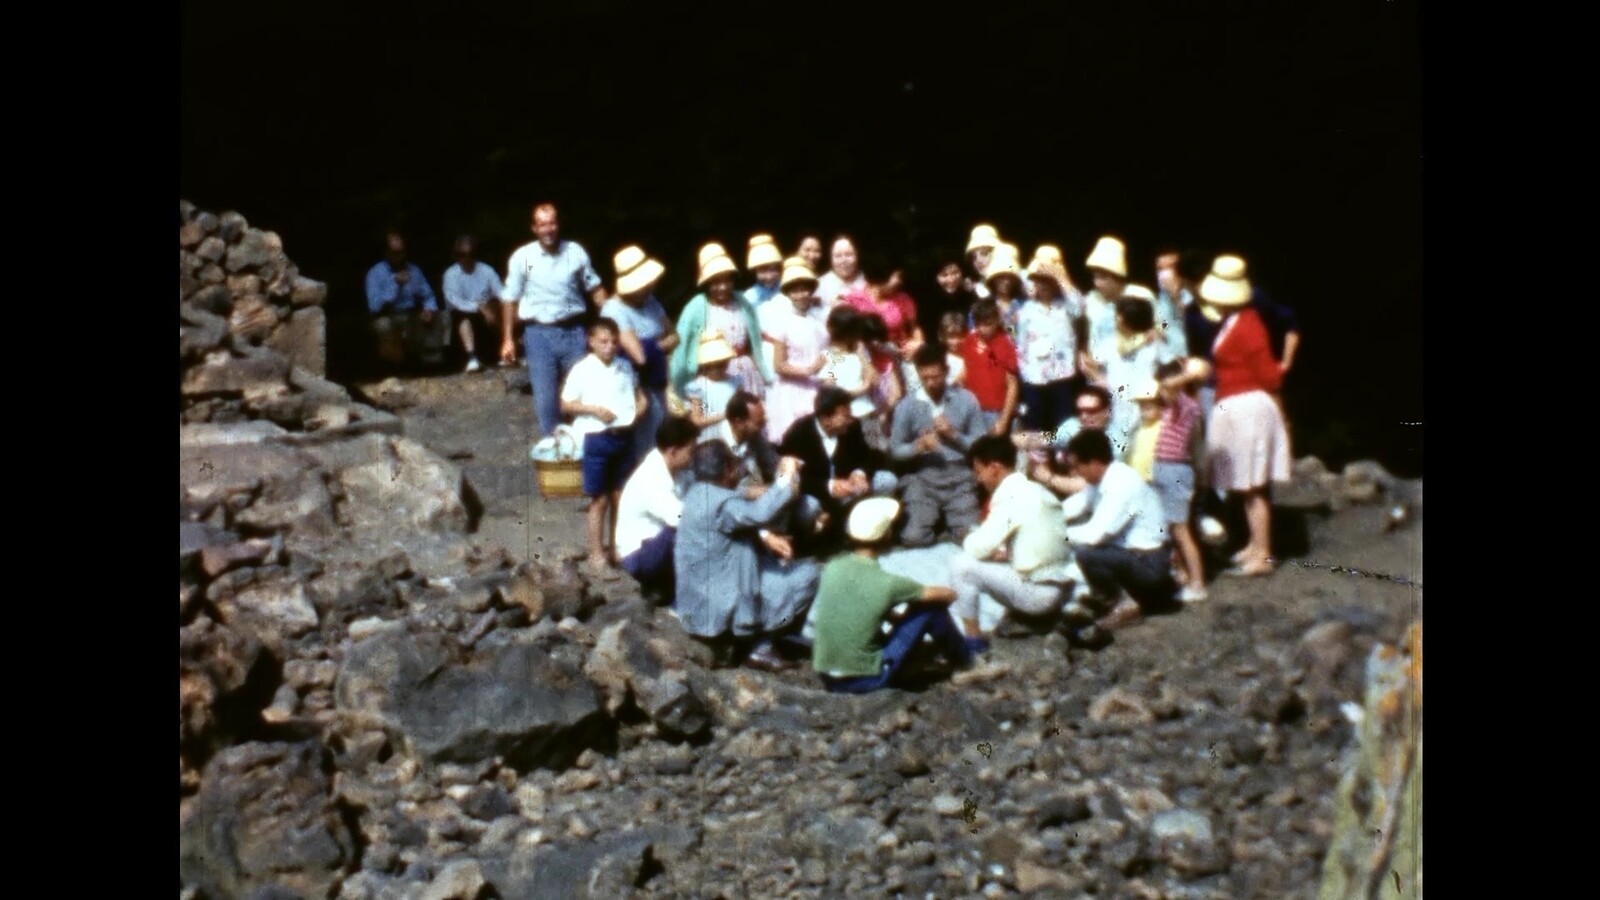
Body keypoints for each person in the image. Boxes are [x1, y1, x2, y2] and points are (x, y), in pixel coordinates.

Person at [809, 497, 981, 693]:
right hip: (864, 679)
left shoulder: (833, 567)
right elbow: (947, 595)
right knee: (931, 609)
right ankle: (968, 662)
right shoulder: (888, 583)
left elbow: (858, 605)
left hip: (827, 675)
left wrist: (895, 613)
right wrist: (914, 605)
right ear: (887, 534)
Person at [674, 441, 820, 671]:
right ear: (726, 470)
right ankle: (761, 645)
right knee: (810, 574)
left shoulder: (694, 494)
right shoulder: (723, 506)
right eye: (734, 465)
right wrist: (787, 477)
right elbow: (762, 513)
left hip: (699, 598)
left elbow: (740, 502)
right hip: (721, 603)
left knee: (765, 560)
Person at [1198, 254, 1291, 577]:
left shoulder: (1249, 325)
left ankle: (1264, 552)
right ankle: (1255, 544)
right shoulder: (1233, 321)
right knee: (1248, 485)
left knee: (1254, 486)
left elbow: (1269, 374)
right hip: (1236, 406)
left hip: (1249, 407)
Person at [947, 434, 1079, 640]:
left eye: (979, 471)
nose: (978, 479)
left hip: (1041, 595)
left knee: (961, 566)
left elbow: (977, 547)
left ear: (994, 468)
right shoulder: (1036, 489)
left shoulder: (1011, 495)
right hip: (1059, 587)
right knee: (993, 559)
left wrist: (970, 536)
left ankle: (973, 642)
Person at [499, 203, 609, 439]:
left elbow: (595, 288)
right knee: (546, 400)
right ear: (534, 228)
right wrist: (508, 338)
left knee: (583, 392)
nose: (548, 229)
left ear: (558, 225)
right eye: (542, 224)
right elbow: (511, 297)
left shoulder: (574, 253)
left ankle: (585, 446)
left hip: (573, 332)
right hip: (539, 335)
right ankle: (554, 452)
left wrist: (613, 320)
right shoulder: (526, 258)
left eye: (552, 223)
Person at [1061, 429, 1176, 632]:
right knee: (1082, 548)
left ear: (1094, 462)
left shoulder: (1121, 483)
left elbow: (1096, 535)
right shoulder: (1101, 479)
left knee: (1087, 553)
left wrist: (1057, 535)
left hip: (1150, 562)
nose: (1075, 472)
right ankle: (1110, 598)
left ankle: (1126, 606)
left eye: (1077, 466)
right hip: (1133, 556)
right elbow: (1077, 505)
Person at [559, 317, 646, 576]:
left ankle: (616, 545)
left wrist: (639, 411)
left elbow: (638, 397)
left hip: (623, 435)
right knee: (600, 499)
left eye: (614, 342)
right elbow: (566, 404)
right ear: (592, 342)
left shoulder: (624, 366)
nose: (609, 347)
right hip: (596, 437)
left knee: (621, 495)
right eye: (603, 342)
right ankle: (596, 552)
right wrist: (593, 409)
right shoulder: (583, 369)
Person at [889, 344, 987, 547]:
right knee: (913, 538)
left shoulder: (966, 400)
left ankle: (954, 521)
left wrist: (954, 435)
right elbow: (895, 450)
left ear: (946, 371)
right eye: (925, 378)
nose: (931, 383)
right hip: (924, 478)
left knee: (971, 539)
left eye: (936, 377)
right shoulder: (907, 406)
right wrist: (918, 446)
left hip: (960, 477)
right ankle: (935, 520)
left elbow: (982, 445)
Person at [779, 386, 897, 546]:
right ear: (826, 418)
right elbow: (791, 479)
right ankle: (814, 542)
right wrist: (829, 486)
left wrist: (859, 473)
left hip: (849, 491)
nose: (850, 419)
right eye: (845, 415)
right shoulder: (799, 434)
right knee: (809, 507)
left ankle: (866, 530)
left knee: (887, 480)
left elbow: (866, 456)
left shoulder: (852, 427)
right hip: (817, 496)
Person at [601, 245, 678, 470]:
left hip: (656, 383)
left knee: (659, 436)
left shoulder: (650, 301)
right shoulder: (614, 310)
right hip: (635, 386)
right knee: (643, 445)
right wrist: (659, 344)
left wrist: (654, 344)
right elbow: (639, 356)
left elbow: (674, 335)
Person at [669, 243, 771, 401]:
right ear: (707, 283)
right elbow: (683, 346)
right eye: (716, 282)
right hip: (713, 377)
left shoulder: (742, 302)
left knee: (750, 417)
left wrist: (762, 370)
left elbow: (755, 342)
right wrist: (685, 380)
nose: (722, 287)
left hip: (746, 373)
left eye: (727, 281)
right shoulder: (697, 307)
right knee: (715, 417)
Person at [615, 415, 699, 597]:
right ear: (673, 452)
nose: (693, 457)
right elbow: (679, 519)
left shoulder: (678, 470)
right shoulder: (652, 477)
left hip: (656, 544)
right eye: (690, 451)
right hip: (639, 556)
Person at [1151, 360, 1210, 601]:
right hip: (1164, 467)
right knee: (1172, 529)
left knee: (1182, 530)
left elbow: (1169, 385)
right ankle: (1184, 575)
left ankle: (1197, 584)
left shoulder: (1186, 404)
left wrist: (1182, 375)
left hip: (1176, 469)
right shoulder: (1171, 406)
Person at [760, 258, 832, 443]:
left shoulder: (819, 324)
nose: (801, 294)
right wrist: (808, 370)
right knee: (795, 441)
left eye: (805, 289)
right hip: (791, 391)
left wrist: (829, 377)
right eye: (796, 290)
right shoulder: (782, 323)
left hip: (816, 389)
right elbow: (779, 365)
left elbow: (828, 356)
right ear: (789, 293)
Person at [1015, 255, 1082, 434]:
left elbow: (1079, 306)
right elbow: (1019, 343)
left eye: (1047, 281)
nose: (1042, 286)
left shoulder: (1066, 307)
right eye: (1038, 281)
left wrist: (1060, 276)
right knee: (1036, 428)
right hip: (1033, 377)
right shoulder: (1025, 310)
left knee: (1065, 425)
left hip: (1062, 375)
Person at [365, 231, 445, 369]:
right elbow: (374, 306)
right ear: (387, 252)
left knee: (440, 317)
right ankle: (395, 367)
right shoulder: (375, 273)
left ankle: (431, 364)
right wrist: (395, 285)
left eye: (401, 252)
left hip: (411, 313)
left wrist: (429, 308)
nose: (399, 256)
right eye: (394, 252)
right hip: (386, 314)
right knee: (384, 326)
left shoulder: (414, 270)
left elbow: (428, 295)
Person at [1080, 236, 1159, 369]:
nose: (1097, 283)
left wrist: (1156, 332)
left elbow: (1163, 324)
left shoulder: (1140, 294)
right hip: (1100, 373)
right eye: (1095, 277)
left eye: (1103, 278)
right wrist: (1083, 355)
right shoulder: (1091, 300)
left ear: (1118, 277)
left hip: (1136, 370)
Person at [440, 234, 506, 373]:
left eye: (471, 254)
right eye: (462, 254)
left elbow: (501, 293)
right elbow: (454, 301)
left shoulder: (486, 270)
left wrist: (493, 306)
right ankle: (472, 358)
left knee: (503, 308)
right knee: (462, 317)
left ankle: (507, 350)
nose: (467, 258)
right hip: (461, 314)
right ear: (457, 256)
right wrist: (479, 306)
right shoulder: (450, 274)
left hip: (485, 313)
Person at [958, 298, 1021, 436]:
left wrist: (1004, 420)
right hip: (974, 409)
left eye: (987, 324)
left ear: (997, 320)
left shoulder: (1005, 344)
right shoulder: (970, 340)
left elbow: (1012, 385)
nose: (982, 329)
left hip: (997, 411)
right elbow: (967, 370)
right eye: (978, 324)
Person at [686, 332, 741, 443]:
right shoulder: (698, 387)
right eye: (717, 365)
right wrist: (725, 415)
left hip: (734, 435)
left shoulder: (735, 382)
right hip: (709, 438)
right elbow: (696, 420)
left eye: (724, 363)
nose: (722, 368)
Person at [815, 235, 867, 307]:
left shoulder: (869, 282)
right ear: (831, 259)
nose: (843, 260)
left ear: (857, 255)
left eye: (848, 255)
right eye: (838, 256)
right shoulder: (819, 285)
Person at [743, 234, 785, 308]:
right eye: (763, 270)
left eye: (773, 269)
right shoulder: (749, 297)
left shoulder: (787, 289)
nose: (769, 276)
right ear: (755, 271)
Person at [965, 223, 1001, 299]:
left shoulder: (1022, 281)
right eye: (974, 257)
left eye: (984, 254)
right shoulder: (977, 290)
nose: (978, 261)